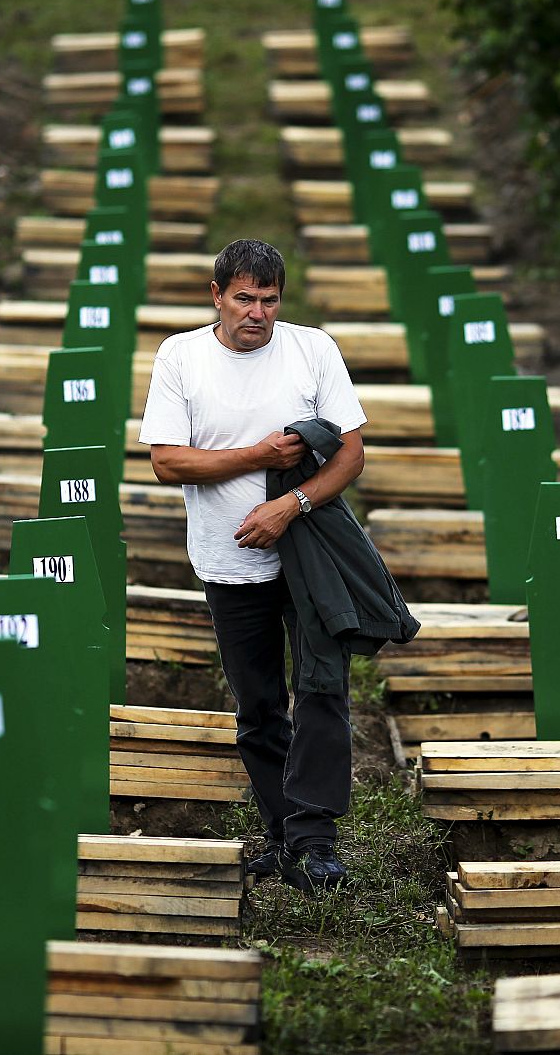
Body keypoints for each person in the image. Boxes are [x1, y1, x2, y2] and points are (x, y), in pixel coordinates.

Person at [139, 238, 367, 891]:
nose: (257, 313)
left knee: (323, 689)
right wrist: (259, 455)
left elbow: (350, 455)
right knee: (259, 705)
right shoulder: (181, 357)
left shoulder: (313, 349)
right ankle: (282, 831)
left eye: (269, 300)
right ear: (217, 296)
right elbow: (167, 461)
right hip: (226, 560)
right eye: (244, 298)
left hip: (308, 554)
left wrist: (289, 506)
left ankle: (316, 838)